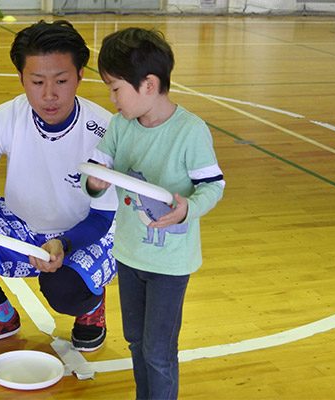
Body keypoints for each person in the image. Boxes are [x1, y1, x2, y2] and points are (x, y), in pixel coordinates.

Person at [0, 20, 118, 355]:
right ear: (21, 79)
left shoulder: (105, 131)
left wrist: (63, 242)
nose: (49, 94)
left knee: (61, 288)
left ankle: (90, 309)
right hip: (22, 227)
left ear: (80, 77)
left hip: (81, 234)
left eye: (61, 81)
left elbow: (102, 219)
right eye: (36, 82)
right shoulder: (4, 118)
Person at [85, 28, 225, 400]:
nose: (112, 99)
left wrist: (187, 210)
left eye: (116, 89)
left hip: (170, 265)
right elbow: (96, 169)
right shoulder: (120, 126)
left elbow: (214, 186)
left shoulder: (190, 131)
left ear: (148, 84)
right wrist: (95, 183)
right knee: (134, 342)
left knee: (158, 352)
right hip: (129, 254)